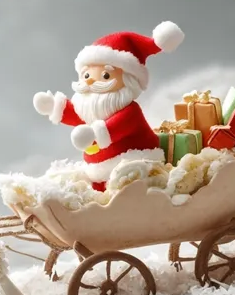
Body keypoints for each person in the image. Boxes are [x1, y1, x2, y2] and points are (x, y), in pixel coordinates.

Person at [32, 22, 185, 191]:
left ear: (128, 80)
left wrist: (93, 134)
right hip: (97, 172)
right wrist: (54, 106)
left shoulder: (130, 111)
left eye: (105, 75)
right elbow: (76, 114)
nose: (90, 81)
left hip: (134, 168)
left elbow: (114, 128)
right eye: (86, 75)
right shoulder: (89, 107)